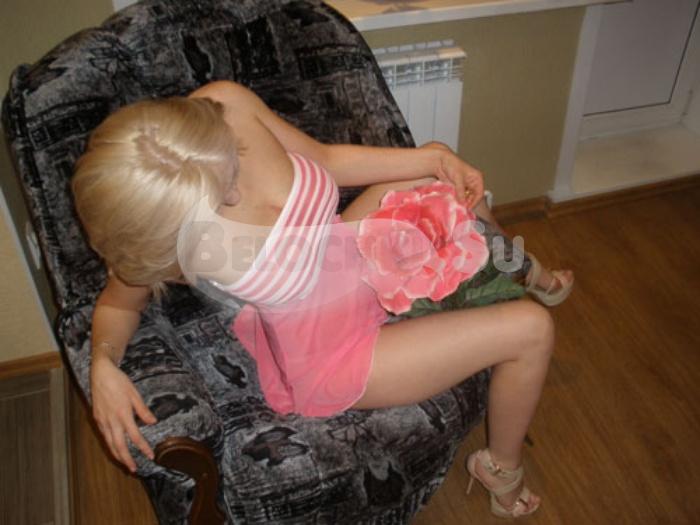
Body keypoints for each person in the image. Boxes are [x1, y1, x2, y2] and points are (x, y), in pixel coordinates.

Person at [72, 80, 573, 518]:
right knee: (532, 329)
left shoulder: (224, 103)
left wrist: (433, 158)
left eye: (229, 166)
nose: (234, 195)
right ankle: (500, 470)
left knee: (442, 170)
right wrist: (103, 365)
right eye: (217, 200)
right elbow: (117, 305)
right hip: (336, 349)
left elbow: (326, 160)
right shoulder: (163, 239)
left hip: (346, 248)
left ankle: (522, 267)